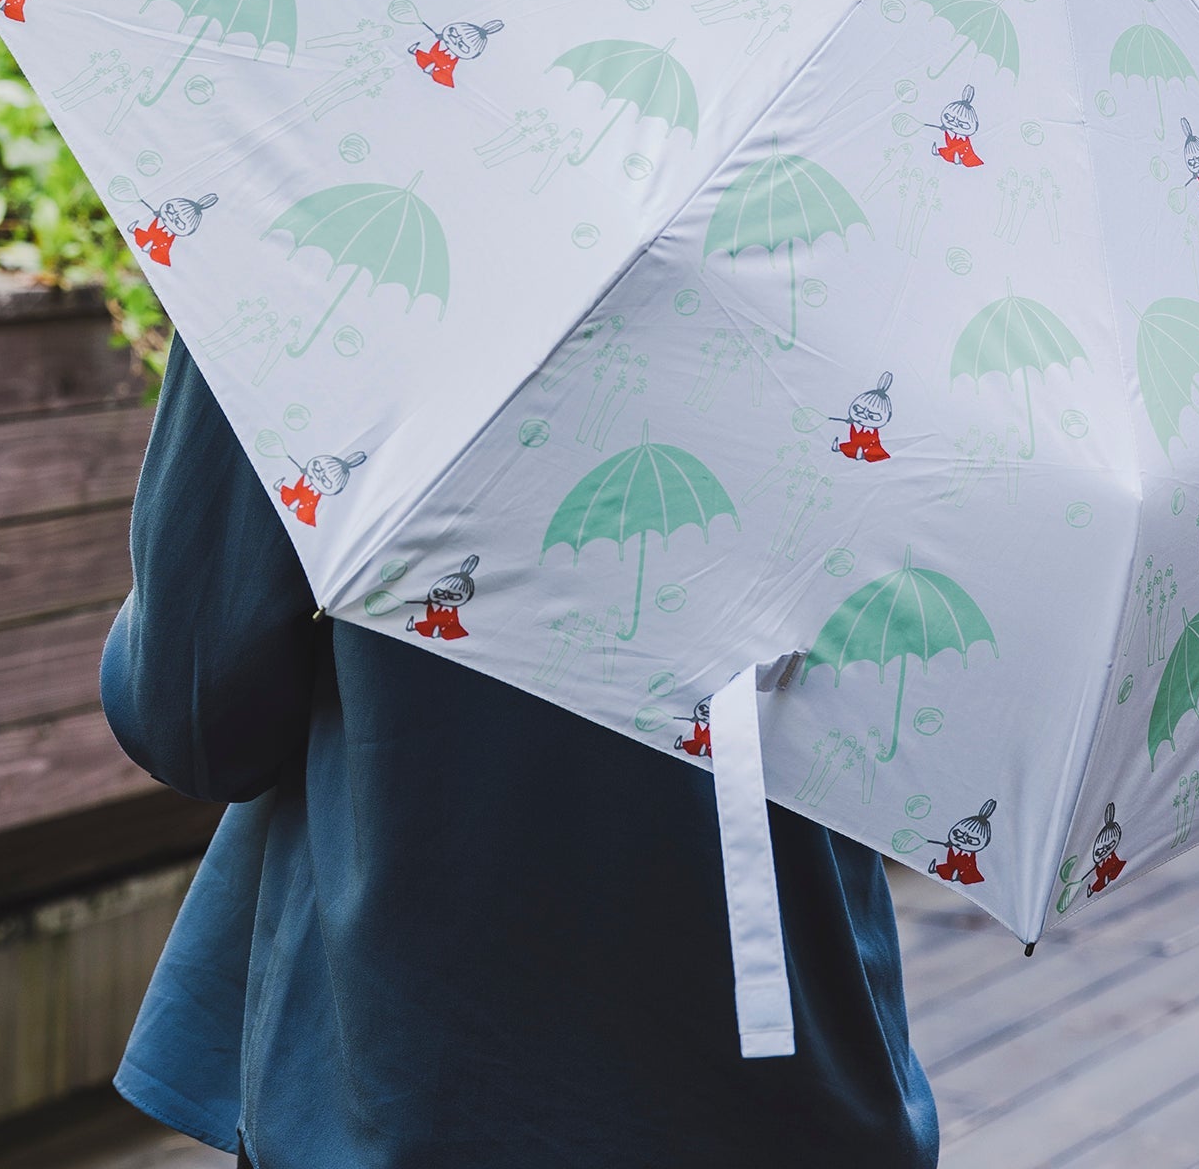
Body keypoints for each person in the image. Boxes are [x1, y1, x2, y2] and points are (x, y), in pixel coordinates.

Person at [100, 340, 940, 1169]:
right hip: (801, 1078)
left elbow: (194, 718)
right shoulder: (899, 270)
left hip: (413, 1086)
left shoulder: (317, 275)